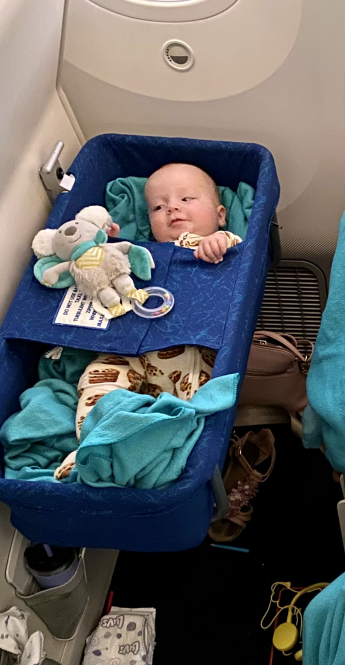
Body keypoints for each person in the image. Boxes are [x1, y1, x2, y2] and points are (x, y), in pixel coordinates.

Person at [53, 163, 243, 480]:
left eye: (186, 199)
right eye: (158, 206)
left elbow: (233, 251)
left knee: (195, 411)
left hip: (196, 357)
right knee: (99, 377)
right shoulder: (145, 252)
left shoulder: (220, 243)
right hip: (136, 353)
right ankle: (97, 443)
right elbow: (109, 270)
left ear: (220, 214)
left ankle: (153, 446)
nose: (172, 208)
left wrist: (218, 242)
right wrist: (107, 244)